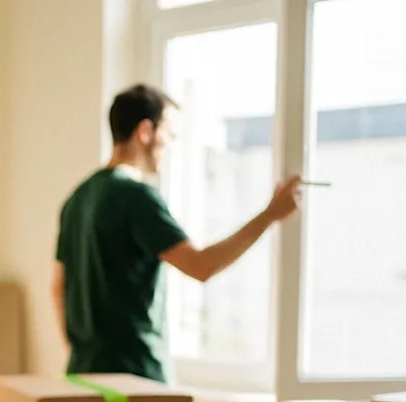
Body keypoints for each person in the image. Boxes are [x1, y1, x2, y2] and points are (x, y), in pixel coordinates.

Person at [52, 84, 302, 383]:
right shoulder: (134, 196)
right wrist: (269, 215)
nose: (170, 146)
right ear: (145, 132)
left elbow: (58, 288)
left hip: (84, 377)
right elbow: (200, 265)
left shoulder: (77, 199)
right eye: (169, 135)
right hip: (132, 383)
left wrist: (85, 353)